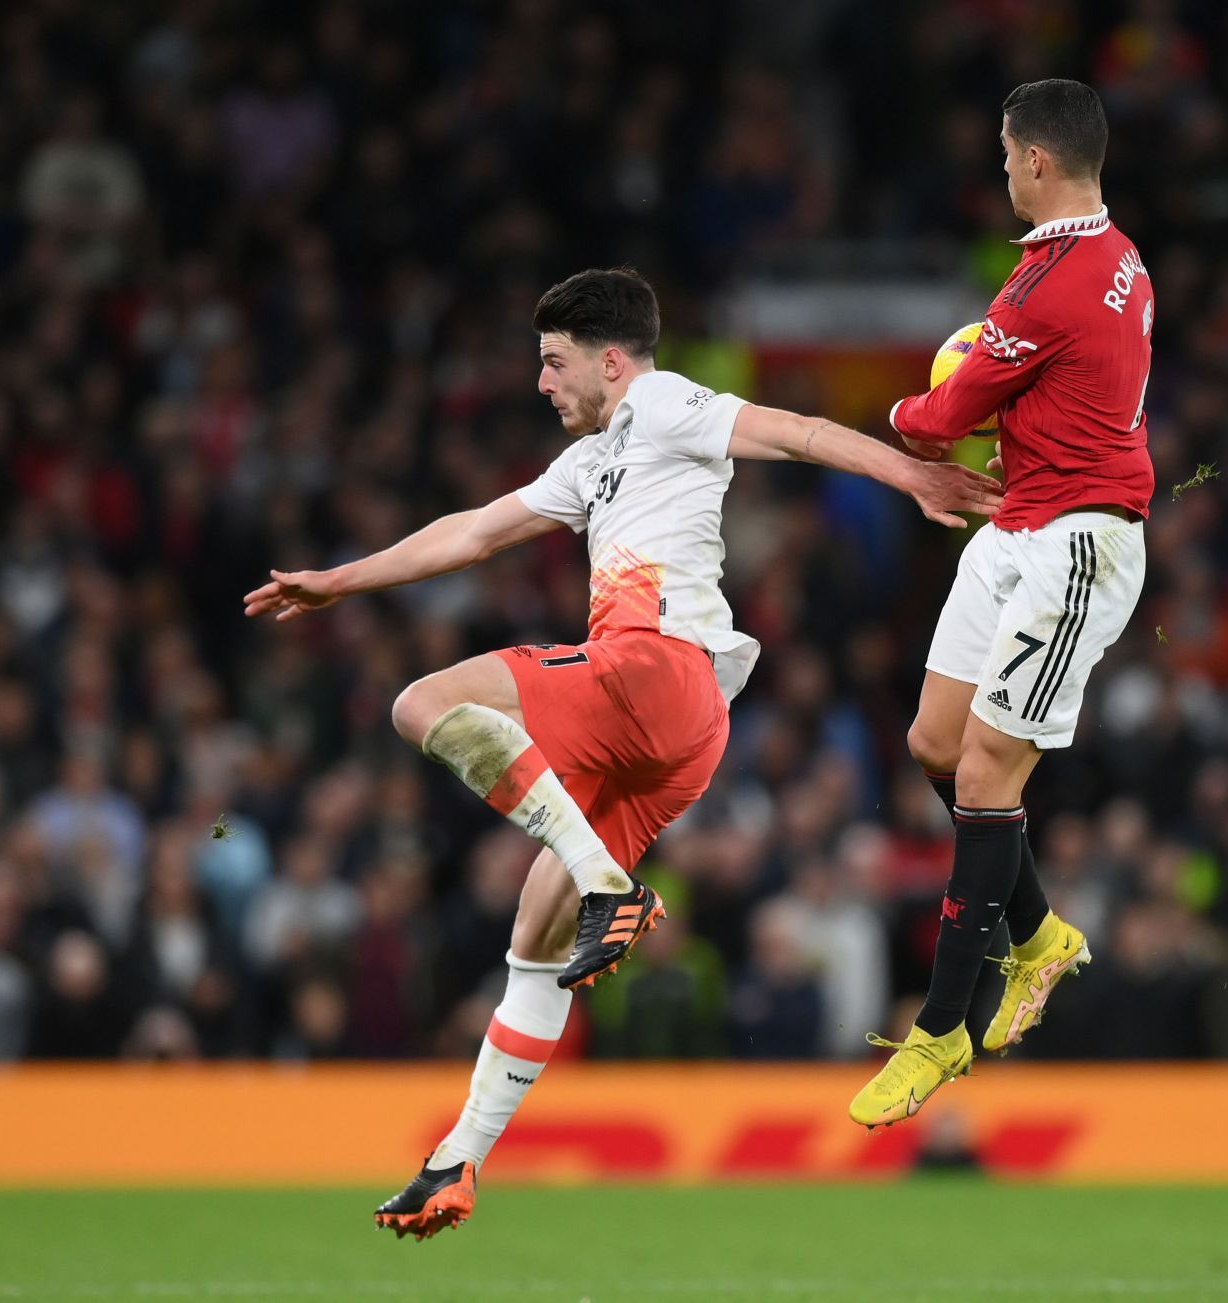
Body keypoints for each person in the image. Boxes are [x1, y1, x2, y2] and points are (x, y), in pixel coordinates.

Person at [242, 267, 1000, 1236]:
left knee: (422, 701)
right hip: (676, 733)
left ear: (610, 359)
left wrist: (914, 474)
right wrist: (338, 583)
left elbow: (796, 433)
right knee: (533, 935)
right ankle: (457, 1163)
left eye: (554, 364)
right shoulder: (590, 463)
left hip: (652, 666)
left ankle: (614, 885)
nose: (543, 383)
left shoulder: (666, 403)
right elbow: (474, 531)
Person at [852, 79, 1154, 1128]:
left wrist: (898, 407)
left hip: (1078, 543)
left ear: (1032, 161)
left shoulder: (1046, 294)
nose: (1002, 167)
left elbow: (936, 421)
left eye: (1005, 153)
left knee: (985, 769)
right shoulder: (1116, 260)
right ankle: (1038, 933)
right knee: (936, 740)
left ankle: (941, 1026)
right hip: (1020, 521)